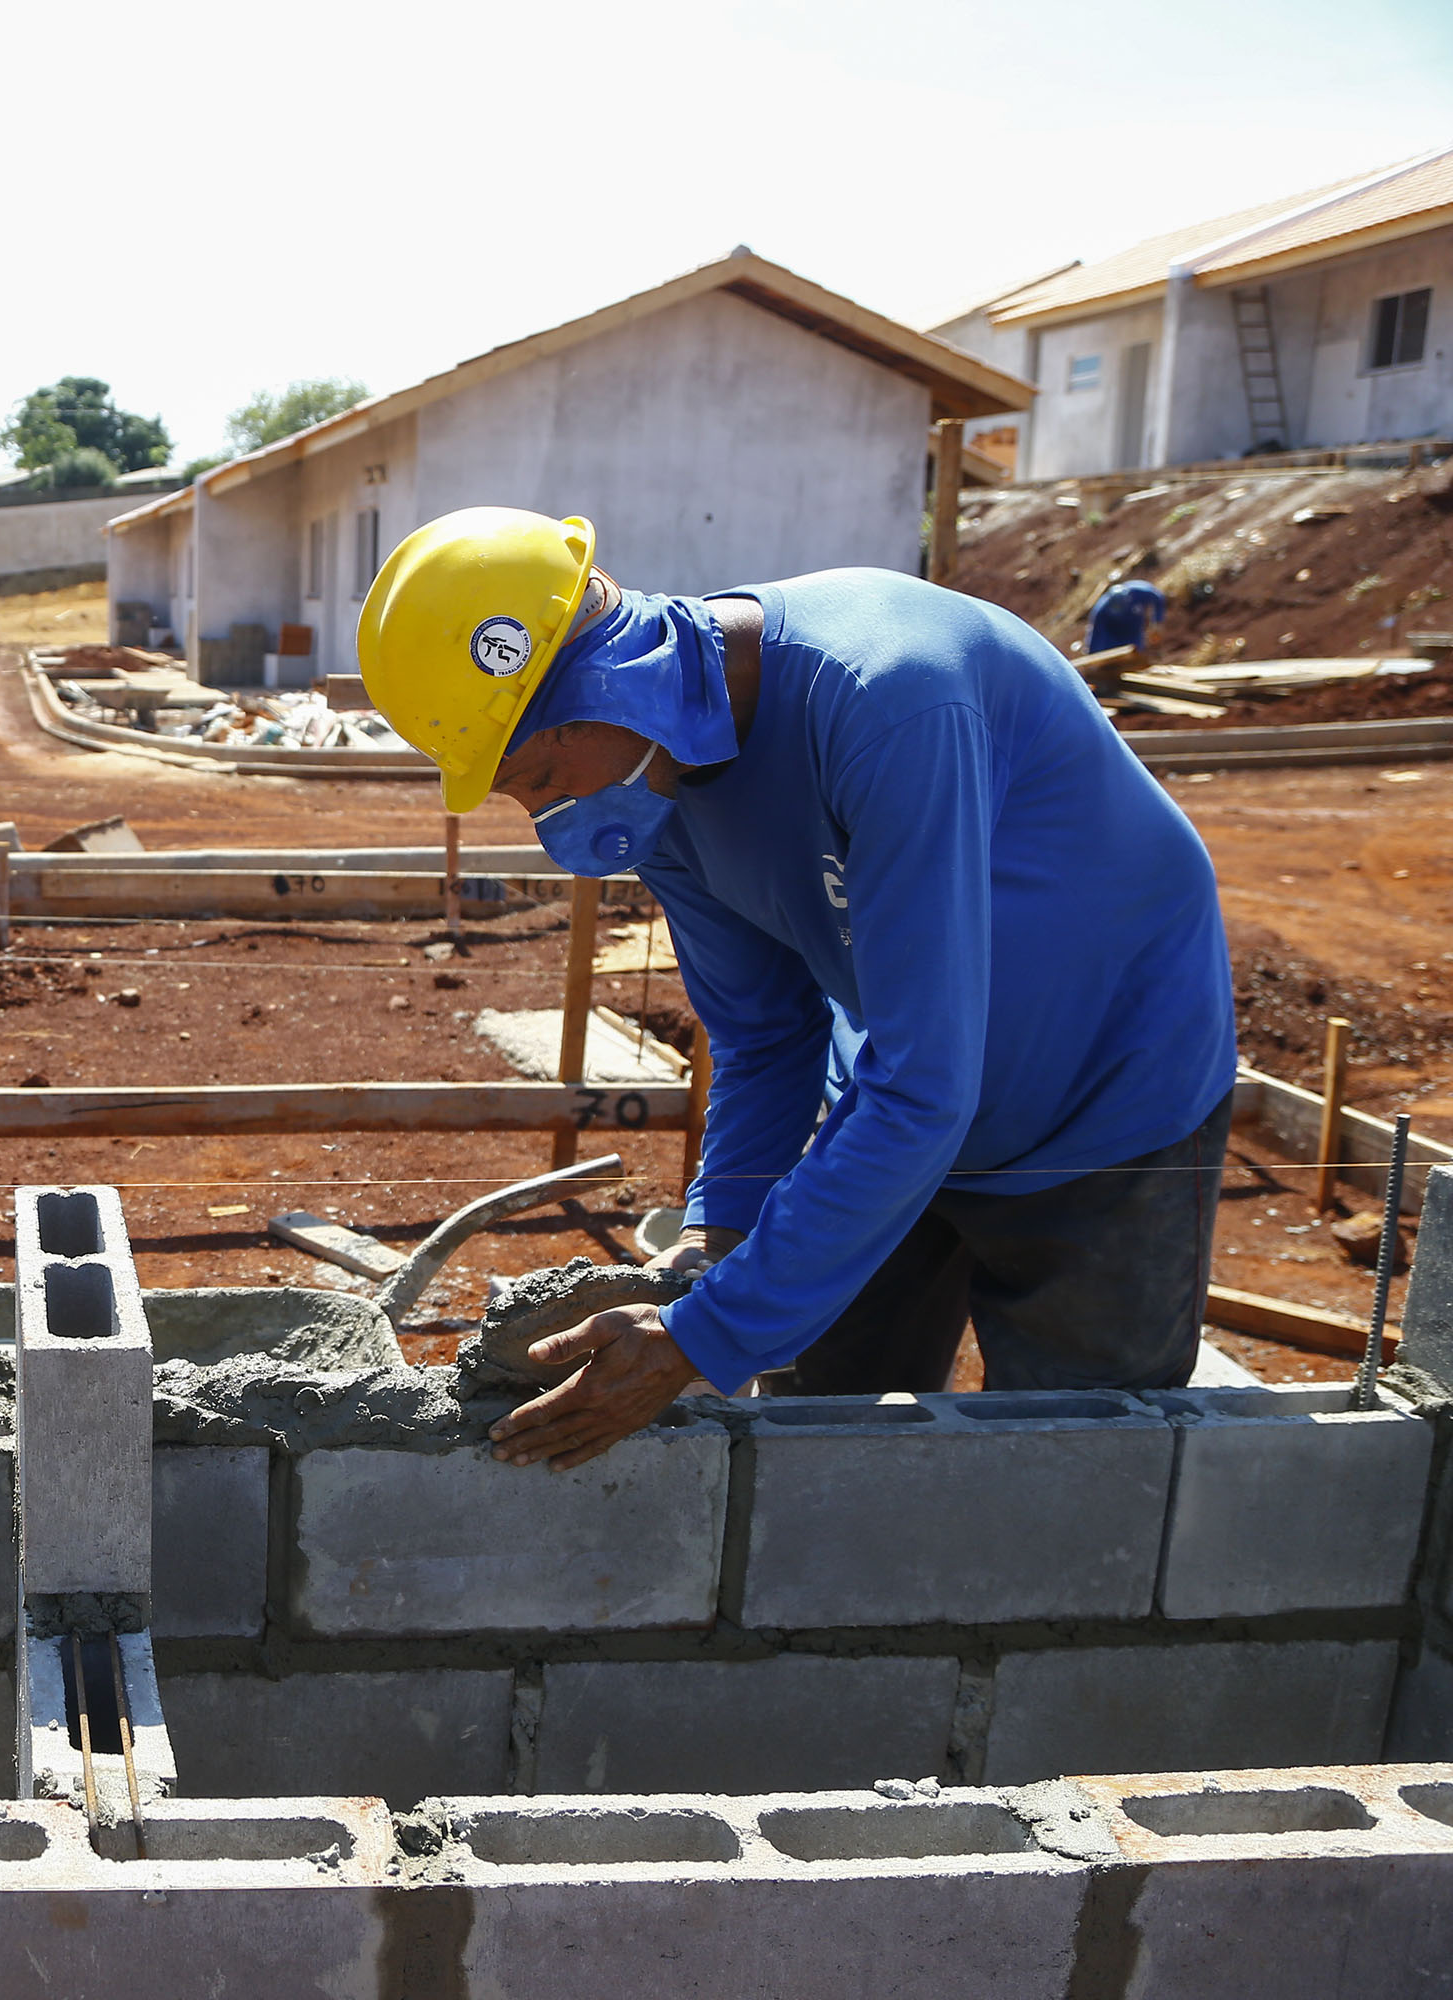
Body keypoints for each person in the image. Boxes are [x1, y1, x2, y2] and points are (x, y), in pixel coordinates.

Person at [356, 508, 1235, 1470]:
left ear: (608, 687)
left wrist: (698, 1341)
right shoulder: (657, 776)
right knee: (818, 1436)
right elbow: (766, 1036)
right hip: (903, 1097)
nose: (542, 808)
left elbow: (927, 1083)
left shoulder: (889, 698)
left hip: (1105, 1099)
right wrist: (712, 1242)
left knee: (1073, 1463)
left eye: (536, 772)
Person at [1085, 577, 1168, 655]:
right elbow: (1096, 635)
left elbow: (1158, 598)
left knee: (1136, 653)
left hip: (1134, 628)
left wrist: (1157, 623)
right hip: (1114, 633)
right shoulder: (1101, 611)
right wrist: (1093, 654)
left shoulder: (1139, 592)